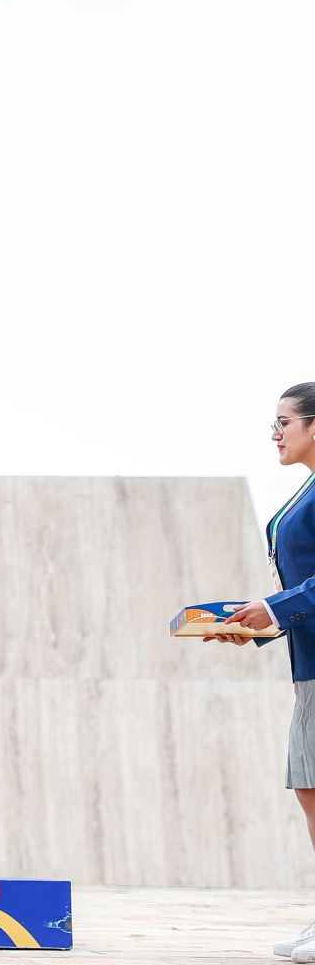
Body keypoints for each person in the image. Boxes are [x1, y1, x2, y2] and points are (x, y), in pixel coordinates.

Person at [210, 384, 315, 962]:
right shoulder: (305, 489)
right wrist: (262, 625)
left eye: (283, 423)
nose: (274, 434)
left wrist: (275, 609)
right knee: (309, 787)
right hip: (309, 664)